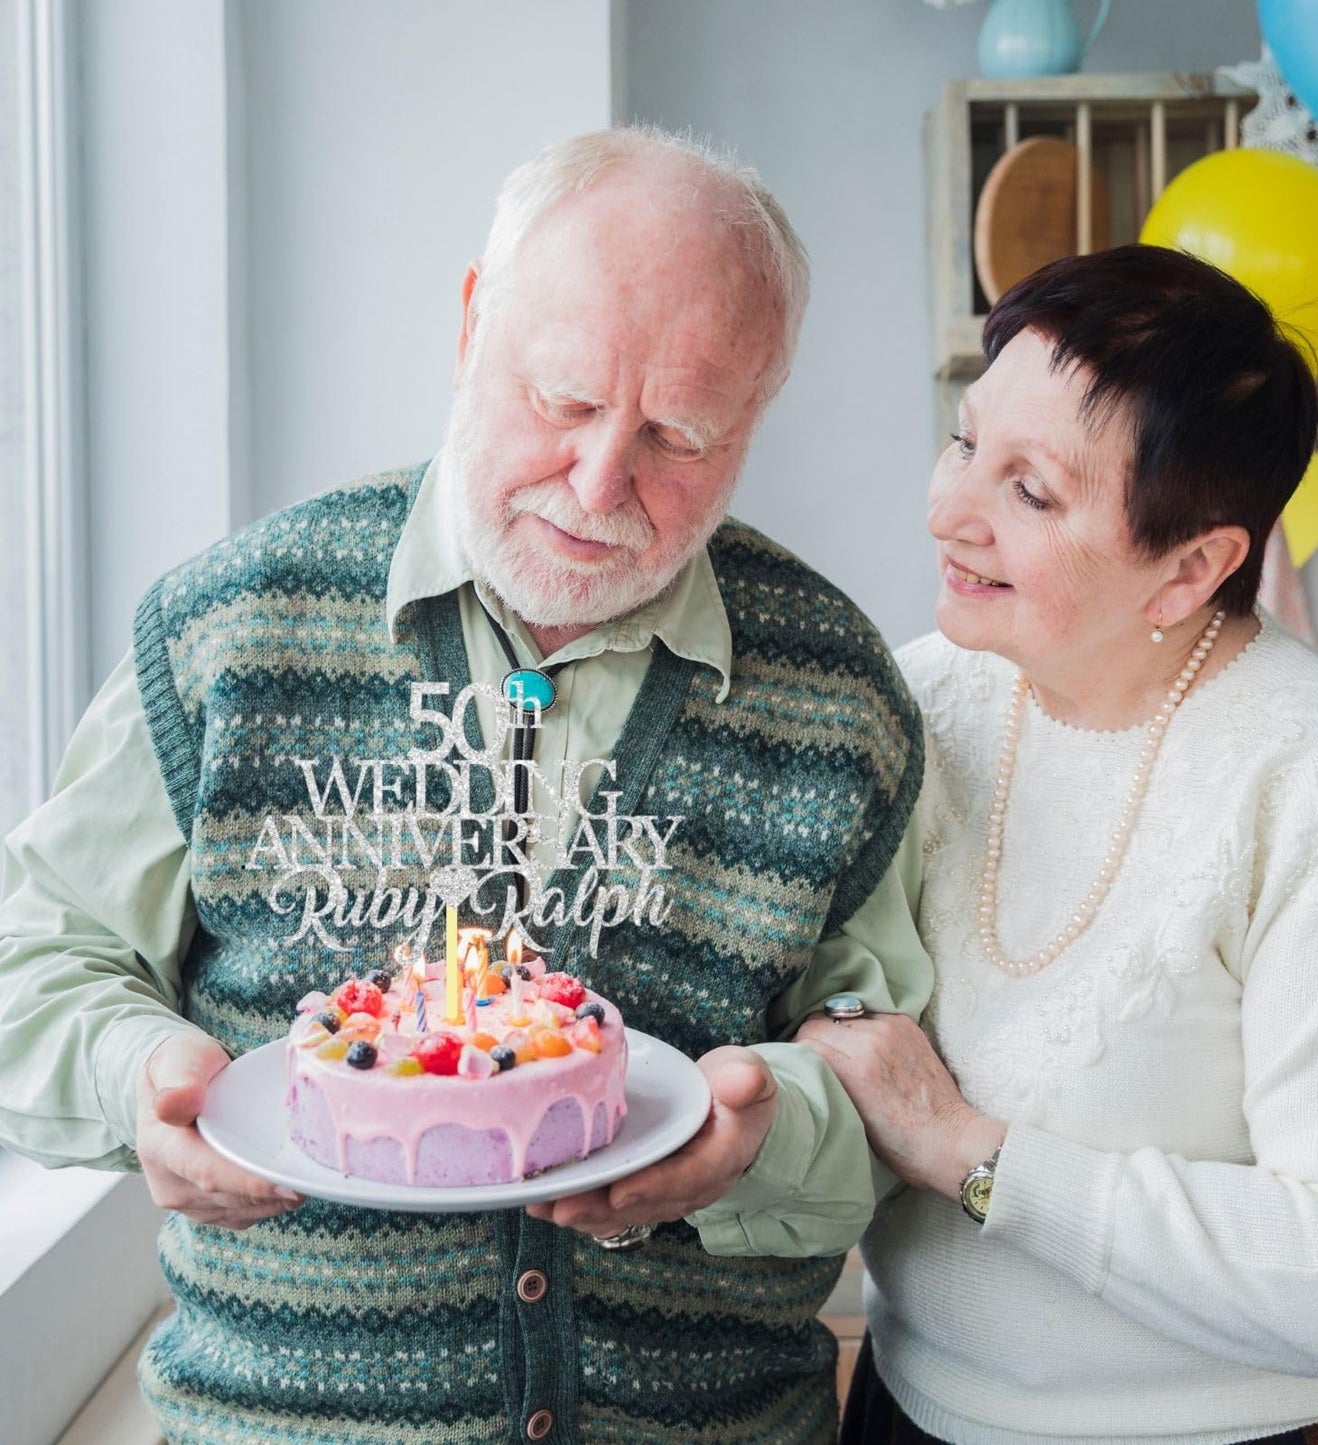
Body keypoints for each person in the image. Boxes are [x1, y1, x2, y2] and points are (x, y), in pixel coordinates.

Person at [0, 127, 933, 1445]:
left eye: (679, 433)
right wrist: (140, 1076)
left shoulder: (839, 698)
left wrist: (761, 1139)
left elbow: (899, 1102)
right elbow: (34, 963)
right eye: (561, 399)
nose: (601, 481)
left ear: (755, 420)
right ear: (470, 324)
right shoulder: (231, 629)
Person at [800, 245, 1318, 1444]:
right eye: (962, 442)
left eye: (1029, 491)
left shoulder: (1317, 769)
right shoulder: (910, 697)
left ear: (1190, 566)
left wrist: (971, 1153)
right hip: (913, 1413)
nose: (948, 511)